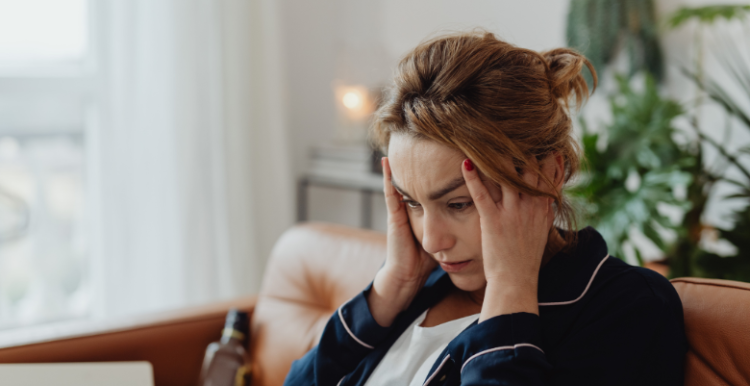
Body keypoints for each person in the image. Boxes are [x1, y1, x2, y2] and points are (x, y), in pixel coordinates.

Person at [283, 30, 687, 386]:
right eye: (412, 203)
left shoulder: (626, 309)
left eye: (458, 203)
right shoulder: (419, 289)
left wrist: (511, 287)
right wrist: (390, 289)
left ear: (547, 175)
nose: (431, 240)